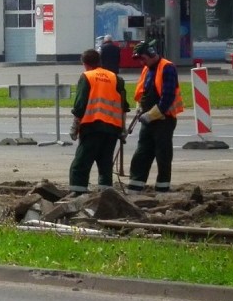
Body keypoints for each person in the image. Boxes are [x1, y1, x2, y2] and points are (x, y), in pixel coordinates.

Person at [67, 49, 129, 196]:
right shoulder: (116, 78)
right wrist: (123, 129)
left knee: (81, 163)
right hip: (113, 128)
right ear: (99, 61)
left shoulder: (87, 76)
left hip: (92, 126)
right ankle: (105, 193)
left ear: (85, 64)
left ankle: (78, 191)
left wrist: (74, 127)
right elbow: (123, 106)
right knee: (105, 163)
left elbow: (80, 105)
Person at [128, 40, 183, 194]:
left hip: (164, 120)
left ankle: (162, 188)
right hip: (148, 119)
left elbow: (167, 97)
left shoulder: (168, 68)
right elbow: (144, 91)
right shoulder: (147, 69)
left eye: (142, 58)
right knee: (142, 152)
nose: (141, 62)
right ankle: (135, 185)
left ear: (152, 54)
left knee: (163, 154)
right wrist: (140, 107)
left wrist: (151, 115)